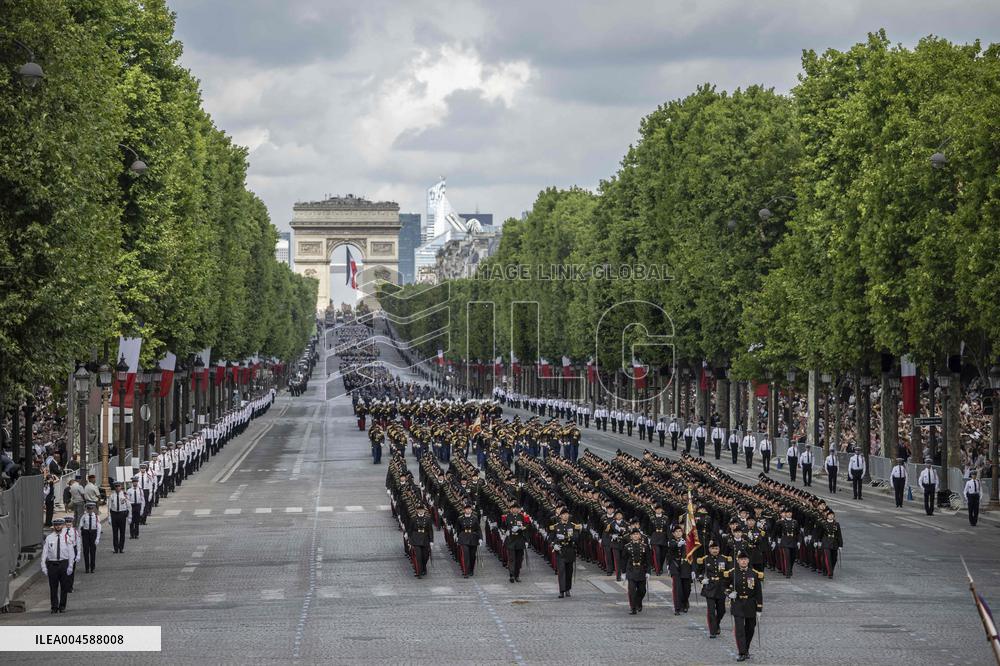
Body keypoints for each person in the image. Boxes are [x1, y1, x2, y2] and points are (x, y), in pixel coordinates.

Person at [727, 551, 764, 662]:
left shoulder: (754, 574)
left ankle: (746, 648)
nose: (743, 561)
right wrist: (729, 593)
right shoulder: (732, 573)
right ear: (737, 561)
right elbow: (725, 586)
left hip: (750, 604)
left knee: (750, 629)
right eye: (741, 559)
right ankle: (741, 652)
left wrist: (759, 609)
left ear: (748, 561)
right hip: (737, 603)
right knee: (740, 630)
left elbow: (758, 592)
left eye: (745, 559)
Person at [697, 540, 730, 638]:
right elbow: (700, 571)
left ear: (719, 549)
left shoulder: (724, 559)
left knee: (722, 610)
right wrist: (702, 579)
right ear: (709, 549)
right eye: (713, 549)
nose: (715, 550)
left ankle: (716, 624)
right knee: (711, 611)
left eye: (716, 548)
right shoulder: (705, 559)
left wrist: (730, 587)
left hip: (721, 587)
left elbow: (729, 573)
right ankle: (712, 631)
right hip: (710, 587)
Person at [41, 518, 73, 613]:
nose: (58, 526)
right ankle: (54, 606)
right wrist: (43, 565)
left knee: (64, 587)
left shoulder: (67, 537)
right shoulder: (49, 538)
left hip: (63, 563)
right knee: (53, 587)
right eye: (56, 525)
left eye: (60, 525)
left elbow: (71, 552)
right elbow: (45, 552)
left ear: (62, 526)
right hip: (52, 564)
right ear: (54, 526)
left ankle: (62, 606)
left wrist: (70, 565)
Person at [549, 508, 580, 598]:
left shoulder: (573, 526)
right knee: (561, 571)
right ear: (560, 516)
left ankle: (567, 589)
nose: (565, 516)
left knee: (569, 571)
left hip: (570, 550)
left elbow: (576, 537)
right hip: (560, 550)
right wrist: (553, 545)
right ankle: (561, 590)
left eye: (567, 514)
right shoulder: (556, 526)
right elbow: (550, 538)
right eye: (564, 514)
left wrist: (567, 537)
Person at [501, 502, 531, 583]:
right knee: (511, 558)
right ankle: (511, 575)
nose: (515, 509)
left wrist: (526, 540)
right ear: (511, 509)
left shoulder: (522, 517)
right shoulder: (507, 517)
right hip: (511, 540)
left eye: (516, 508)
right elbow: (503, 526)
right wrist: (504, 532)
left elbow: (527, 527)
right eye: (513, 508)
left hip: (520, 539)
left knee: (519, 559)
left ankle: (517, 575)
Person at [666, 525, 693, 615]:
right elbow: (672, 546)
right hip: (675, 565)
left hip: (685, 566)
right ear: (673, 533)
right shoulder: (671, 541)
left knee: (687, 588)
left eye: (680, 531)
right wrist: (678, 544)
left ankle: (685, 602)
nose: (678, 533)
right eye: (676, 532)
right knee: (677, 588)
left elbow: (692, 556)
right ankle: (677, 608)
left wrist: (693, 570)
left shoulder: (687, 541)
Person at [623, 529, 651, 614]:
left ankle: (639, 602)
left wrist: (648, 572)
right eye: (633, 534)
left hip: (641, 570)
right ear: (631, 536)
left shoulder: (645, 546)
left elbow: (648, 560)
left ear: (639, 536)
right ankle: (633, 608)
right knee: (632, 590)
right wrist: (623, 572)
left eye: (637, 534)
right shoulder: (627, 546)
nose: (635, 536)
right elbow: (623, 559)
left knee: (642, 590)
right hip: (631, 570)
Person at [407, 505, 433, 578]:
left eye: (422, 510)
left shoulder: (428, 519)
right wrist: (410, 540)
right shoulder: (413, 519)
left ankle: (424, 567)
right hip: (416, 538)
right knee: (418, 556)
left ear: (424, 511)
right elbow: (410, 530)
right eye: (419, 510)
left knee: (425, 556)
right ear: (417, 511)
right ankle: (419, 572)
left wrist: (431, 541)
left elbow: (430, 530)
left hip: (425, 538)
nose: (421, 511)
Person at [456, 504, 481, 577]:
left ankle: (471, 570)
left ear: (471, 510)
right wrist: (457, 536)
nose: (468, 510)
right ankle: (465, 571)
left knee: (472, 556)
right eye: (466, 509)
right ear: (464, 510)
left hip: (473, 537)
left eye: (469, 509)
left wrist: (480, 538)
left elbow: (478, 529)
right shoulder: (460, 518)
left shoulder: (475, 518)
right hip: (463, 537)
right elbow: (458, 529)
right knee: (465, 554)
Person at [818, 510, 843, 578]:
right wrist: (819, 541)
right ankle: (830, 573)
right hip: (826, 542)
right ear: (827, 516)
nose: (831, 516)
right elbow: (820, 533)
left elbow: (839, 535)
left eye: (832, 515)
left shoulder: (836, 524)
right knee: (827, 557)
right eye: (829, 515)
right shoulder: (823, 523)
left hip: (834, 543)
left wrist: (840, 545)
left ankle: (829, 569)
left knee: (834, 558)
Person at [79, 502, 101, 573]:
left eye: (91, 509)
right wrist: (79, 537)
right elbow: (80, 527)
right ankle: (87, 567)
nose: (90, 510)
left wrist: (97, 538)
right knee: (86, 551)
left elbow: (99, 528)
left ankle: (92, 567)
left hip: (93, 534)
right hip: (86, 534)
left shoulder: (96, 517)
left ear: (94, 509)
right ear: (87, 509)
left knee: (92, 551)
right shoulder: (84, 516)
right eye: (89, 509)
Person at [108, 480, 129, 553]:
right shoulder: (112, 495)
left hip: (122, 514)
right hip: (114, 514)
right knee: (115, 533)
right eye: (116, 486)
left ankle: (121, 548)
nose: (117, 488)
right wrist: (109, 517)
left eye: (119, 486)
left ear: (121, 487)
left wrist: (129, 517)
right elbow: (109, 507)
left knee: (122, 532)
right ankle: (116, 548)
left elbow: (128, 506)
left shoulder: (124, 495)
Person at [649, 505, 670, 575]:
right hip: (655, 537)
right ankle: (658, 570)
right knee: (657, 553)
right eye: (657, 509)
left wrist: (669, 539)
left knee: (663, 554)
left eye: (660, 509)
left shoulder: (665, 518)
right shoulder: (652, 518)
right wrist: (649, 537)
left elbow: (667, 529)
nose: (658, 510)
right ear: (655, 510)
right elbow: (648, 528)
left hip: (663, 537)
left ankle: (660, 567)